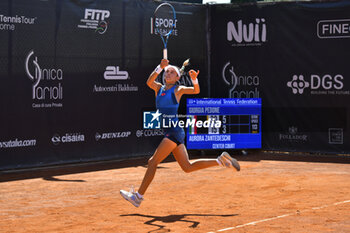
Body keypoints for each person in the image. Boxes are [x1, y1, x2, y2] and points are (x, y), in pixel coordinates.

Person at [120, 59, 240, 207]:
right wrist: (159, 67)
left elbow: (196, 91)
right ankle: (220, 161)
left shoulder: (178, 89)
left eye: (172, 72)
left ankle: (138, 196)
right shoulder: (159, 88)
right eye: (167, 72)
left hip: (174, 131)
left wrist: (194, 80)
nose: (168, 74)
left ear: (178, 78)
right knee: (187, 167)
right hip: (173, 132)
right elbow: (149, 82)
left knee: (152, 162)